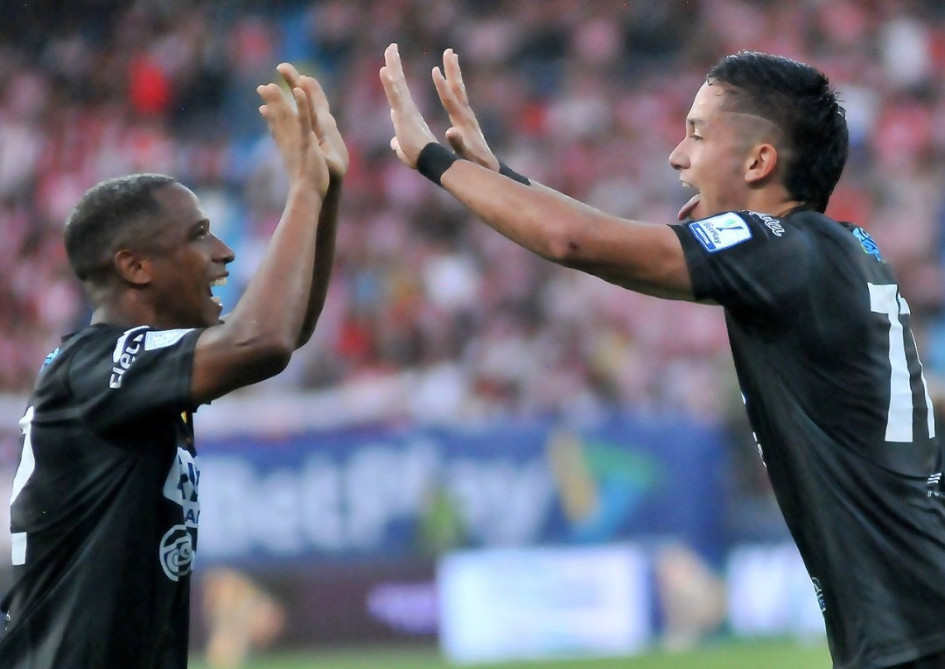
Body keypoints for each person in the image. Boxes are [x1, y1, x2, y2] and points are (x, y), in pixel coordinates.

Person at [380, 43, 945, 669]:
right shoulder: (839, 250)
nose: (677, 156)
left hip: (914, 634)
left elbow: (576, 240)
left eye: (698, 135)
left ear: (759, 160)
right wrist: (496, 174)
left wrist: (430, 159)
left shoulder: (779, 250)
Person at [0, 62, 347, 668]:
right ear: (136, 267)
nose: (224, 252)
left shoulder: (132, 375)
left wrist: (326, 188)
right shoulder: (98, 364)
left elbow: (286, 331)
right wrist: (301, 191)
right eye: (199, 235)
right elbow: (262, 338)